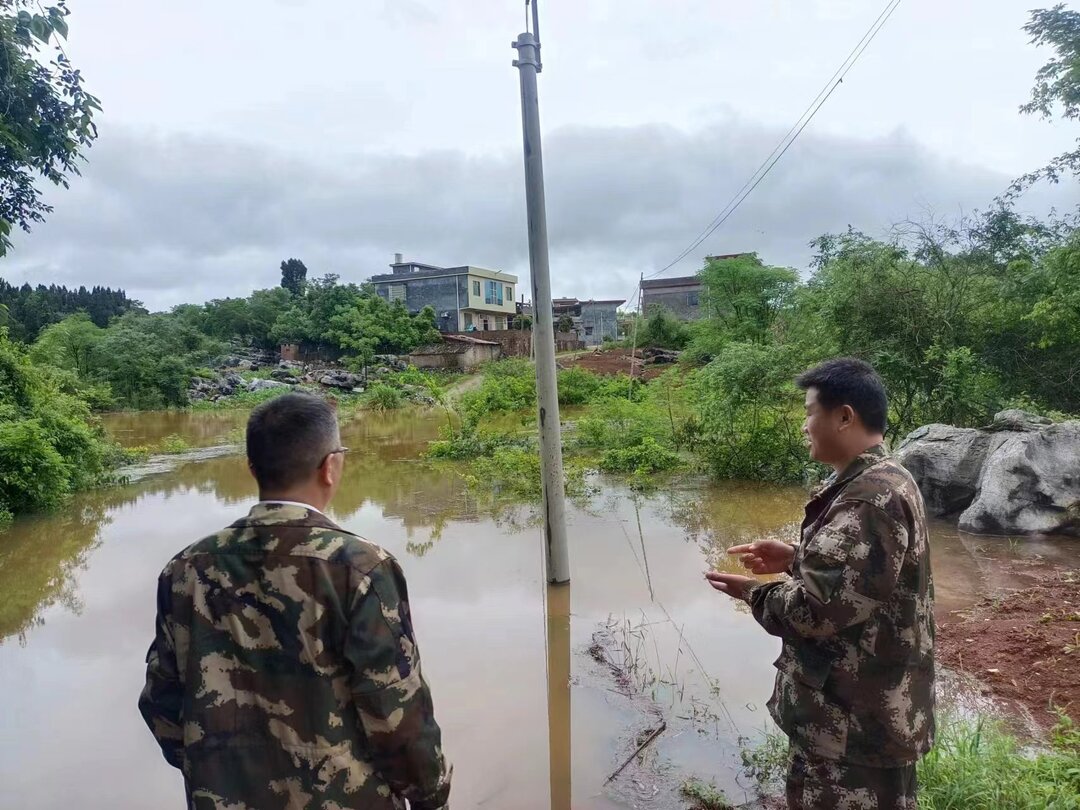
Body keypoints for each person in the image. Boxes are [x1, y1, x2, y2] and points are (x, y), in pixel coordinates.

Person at [139, 392, 451, 810]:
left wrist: (219, 774)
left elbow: (161, 702)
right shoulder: (359, 568)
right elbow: (397, 716)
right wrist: (432, 799)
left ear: (251, 468)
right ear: (331, 466)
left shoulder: (185, 570)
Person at [706, 358, 934, 810]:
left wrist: (752, 593)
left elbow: (814, 612)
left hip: (853, 724)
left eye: (810, 411)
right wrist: (795, 558)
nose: (805, 425)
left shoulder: (869, 498)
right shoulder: (887, 479)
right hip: (869, 713)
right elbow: (867, 581)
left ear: (844, 416)